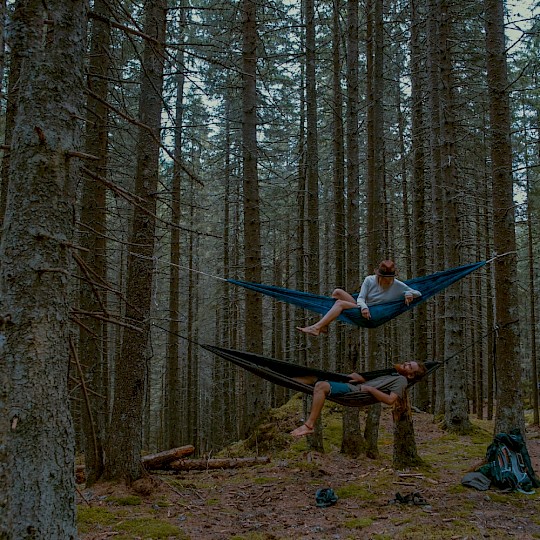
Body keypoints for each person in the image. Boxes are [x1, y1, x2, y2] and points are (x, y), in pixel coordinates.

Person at [290, 360, 427, 437]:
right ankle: (278, 376)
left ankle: (309, 425)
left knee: (321, 386)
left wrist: (370, 389)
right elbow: (374, 383)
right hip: (356, 385)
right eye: (409, 362)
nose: (406, 363)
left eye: (410, 366)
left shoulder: (401, 380)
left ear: (410, 376)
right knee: (313, 378)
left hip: (354, 391)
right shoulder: (393, 375)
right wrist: (363, 380)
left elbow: (391, 400)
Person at [296, 260, 422, 337]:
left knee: (340, 304)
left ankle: (317, 327)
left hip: (373, 314)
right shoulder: (369, 280)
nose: (388, 282)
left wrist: (409, 294)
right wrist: (364, 307)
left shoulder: (397, 285)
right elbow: (360, 299)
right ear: (379, 276)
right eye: (385, 279)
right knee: (337, 292)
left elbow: (418, 293)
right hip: (363, 308)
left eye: (391, 279)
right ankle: (324, 325)